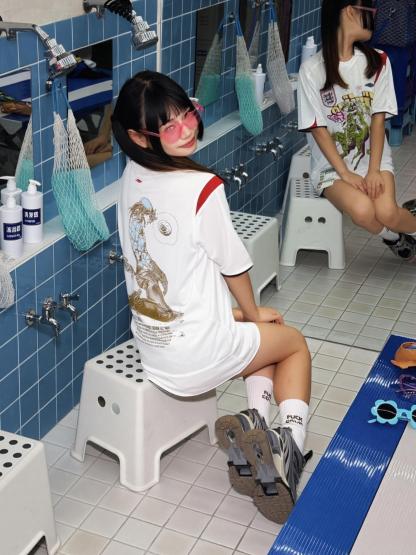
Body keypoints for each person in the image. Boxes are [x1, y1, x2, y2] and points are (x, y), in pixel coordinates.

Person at [112, 70, 312, 524]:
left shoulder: (132, 176)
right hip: (197, 354)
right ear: (139, 138)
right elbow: (233, 266)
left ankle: (254, 429)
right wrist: (251, 312)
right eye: (169, 126)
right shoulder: (201, 188)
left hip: (155, 347)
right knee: (292, 344)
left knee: (258, 342)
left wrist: (243, 318)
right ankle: (289, 449)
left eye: (187, 114)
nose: (187, 129)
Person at [297, 0, 416, 261]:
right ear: (350, 11)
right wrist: (344, 173)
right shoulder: (312, 70)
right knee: (363, 211)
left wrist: (373, 170)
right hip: (329, 168)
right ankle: (396, 239)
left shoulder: (378, 61)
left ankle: (409, 223)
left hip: (374, 158)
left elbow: (378, 120)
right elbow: (318, 129)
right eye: (370, 12)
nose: (375, 19)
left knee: (387, 213)